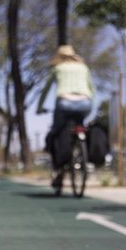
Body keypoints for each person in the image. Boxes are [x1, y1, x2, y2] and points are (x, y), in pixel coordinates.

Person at [36, 45, 95, 193]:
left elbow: (45, 90)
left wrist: (39, 107)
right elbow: (92, 89)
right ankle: (81, 147)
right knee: (80, 127)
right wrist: (88, 103)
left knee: (56, 133)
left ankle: (59, 169)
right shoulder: (83, 67)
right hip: (85, 103)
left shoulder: (58, 68)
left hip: (64, 103)